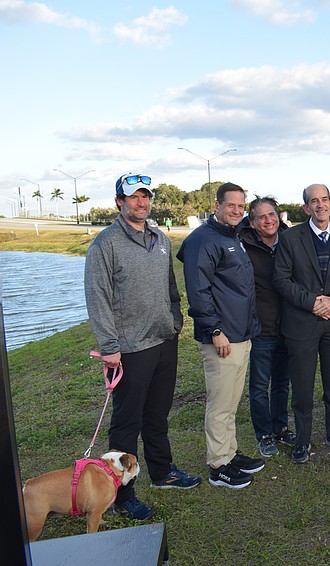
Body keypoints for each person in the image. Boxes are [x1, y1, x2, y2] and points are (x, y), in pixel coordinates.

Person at [84, 172, 200, 520]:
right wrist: (109, 345)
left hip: (164, 341)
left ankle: (163, 472)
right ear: (119, 202)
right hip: (129, 348)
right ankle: (121, 494)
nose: (141, 202)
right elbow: (97, 297)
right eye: (133, 197)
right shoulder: (105, 244)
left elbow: (169, 288)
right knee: (126, 422)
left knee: (157, 414)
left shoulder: (161, 239)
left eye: (145, 196)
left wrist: (175, 321)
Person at [177, 182, 265, 489]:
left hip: (241, 334)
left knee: (230, 401)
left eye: (241, 207)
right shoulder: (203, 240)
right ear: (217, 205)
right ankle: (218, 466)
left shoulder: (233, 236)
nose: (237, 211)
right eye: (231, 206)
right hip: (222, 337)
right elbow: (198, 291)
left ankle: (229, 452)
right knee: (220, 403)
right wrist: (215, 331)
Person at [273, 183, 330, 464]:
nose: (320, 205)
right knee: (303, 386)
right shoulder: (291, 237)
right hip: (301, 323)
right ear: (306, 208)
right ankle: (303, 439)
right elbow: (281, 280)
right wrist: (312, 303)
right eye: (314, 201)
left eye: (324, 200)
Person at [238, 197, 296, 458]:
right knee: (260, 386)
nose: (268, 220)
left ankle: (281, 427)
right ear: (252, 222)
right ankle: (264, 433)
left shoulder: (291, 239)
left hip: (289, 324)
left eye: (271, 214)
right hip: (261, 327)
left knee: (282, 383)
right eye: (261, 217)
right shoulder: (243, 244)